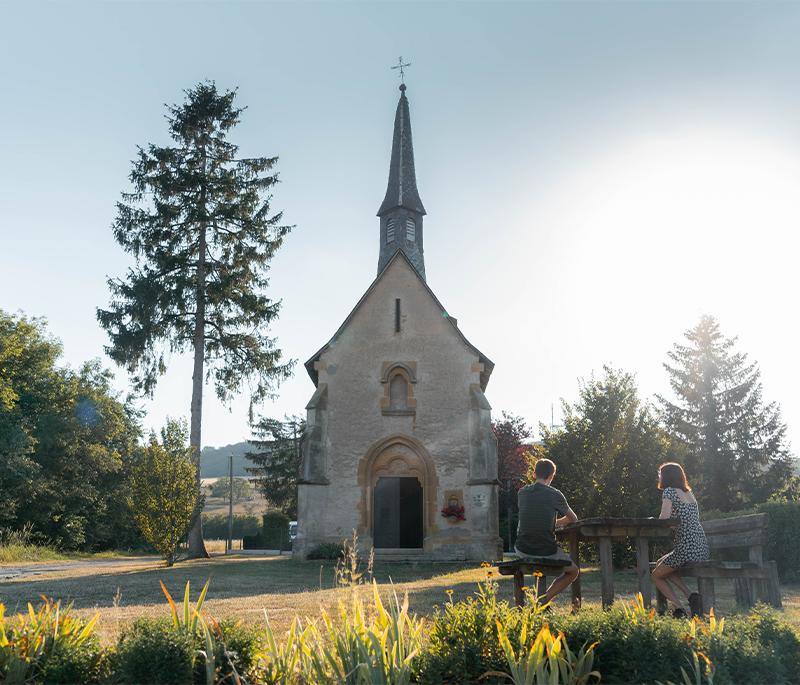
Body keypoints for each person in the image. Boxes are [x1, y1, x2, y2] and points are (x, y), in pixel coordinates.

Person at [515, 458, 579, 604]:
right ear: (551, 476)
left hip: (522, 548)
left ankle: (541, 601)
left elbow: (532, 517)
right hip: (546, 550)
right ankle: (543, 599)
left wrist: (551, 522)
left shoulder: (522, 493)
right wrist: (556, 522)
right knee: (573, 571)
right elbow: (573, 519)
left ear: (533, 474)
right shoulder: (555, 494)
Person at [651, 462, 710, 618]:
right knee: (660, 564)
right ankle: (691, 596)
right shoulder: (689, 493)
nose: (659, 477)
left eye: (660, 474)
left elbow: (664, 519)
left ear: (666, 476)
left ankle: (679, 609)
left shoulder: (669, 492)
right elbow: (685, 519)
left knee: (656, 575)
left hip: (686, 548)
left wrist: (655, 520)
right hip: (700, 546)